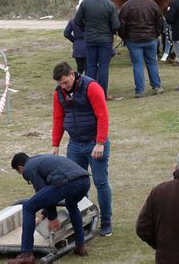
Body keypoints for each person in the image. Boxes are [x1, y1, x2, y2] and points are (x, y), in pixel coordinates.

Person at [51, 61, 113, 237]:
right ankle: (84, 219)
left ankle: (106, 222)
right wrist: (55, 144)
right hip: (74, 144)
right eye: (60, 84)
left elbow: (102, 115)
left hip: (94, 142)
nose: (63, 86)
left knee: (100, 183)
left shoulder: (91, 87)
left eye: (65, 82)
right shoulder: (59, 93)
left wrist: (100, 142)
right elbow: (58, 117)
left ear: (72, 74)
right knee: (76, 185)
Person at [7, 152, 90, 264]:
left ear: (20, 167)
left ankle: (26, 255)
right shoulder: (40, 159)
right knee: (71, 205)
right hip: (84, 180)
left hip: (67, 182)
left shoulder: (29, 168)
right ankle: (81, 246)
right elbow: (48, 194)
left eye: (20, 172)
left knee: (28, 207)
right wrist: (43, 215)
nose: (23, 174)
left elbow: (42, 191)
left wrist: (52, 217)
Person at [74, 0, 120, 100]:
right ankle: (103, 94)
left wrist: (86, 30)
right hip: (105, 40)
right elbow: (116, 26)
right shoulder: (110, 5)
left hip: (90, 39)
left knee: (91, 66)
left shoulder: (85, 3)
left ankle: (90, 93)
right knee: (103, 66)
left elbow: (77, 21)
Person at [118, 0, 164, 98]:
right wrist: (156, 34)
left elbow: (121, 24)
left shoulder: (126, 6)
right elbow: (159, 21)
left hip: (133, 40)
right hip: (150, 38)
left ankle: (140, 90)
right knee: (152, 62)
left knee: (137, 65)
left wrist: (124, 37)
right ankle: (156, 86)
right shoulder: (152, 4)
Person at [64, 0, 87, 75]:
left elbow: (66, 33)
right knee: (89, 69)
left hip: (78, 47)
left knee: (79, 69)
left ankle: (77, 84)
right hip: (89, 45)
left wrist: (75, 40)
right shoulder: (90, 20)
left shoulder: (72, 21)